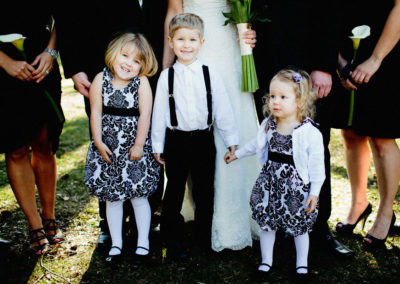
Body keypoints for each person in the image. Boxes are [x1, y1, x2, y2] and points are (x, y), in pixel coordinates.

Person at [252, 0, 353, 258]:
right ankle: (283, 225)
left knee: (313, 145)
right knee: (275, 144)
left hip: (308, 63)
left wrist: (322, 65)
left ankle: (318, 227)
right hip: (266, 59)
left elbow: (331, 12)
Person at [163, 0, 261, 252]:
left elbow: (243, 6)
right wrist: (166, 66)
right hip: (192, 35)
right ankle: (197, 213)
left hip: (227, 42)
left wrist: (246, 29)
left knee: (229, 111)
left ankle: (235, 217)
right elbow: (174, 10)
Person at [55, 3, 151, 247]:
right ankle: (110, 226)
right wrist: (75, 68)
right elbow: (65, 13)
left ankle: (146, 221)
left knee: (142, 141)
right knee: (106, 146)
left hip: (145, 55)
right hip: (97, 58)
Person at [151, 13, 239, 259]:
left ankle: (204, 236)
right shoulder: (166, 77)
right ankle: (172, 237)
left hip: (203, 140)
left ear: (201, 43)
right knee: (175, 190)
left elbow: (223, 110)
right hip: (176, 140)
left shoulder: (210, 74)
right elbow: (158, 114)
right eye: (180, 39)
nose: (186, 45)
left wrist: (232, 141)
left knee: (204, 190)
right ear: (170, 42)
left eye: (192, 39)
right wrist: (157, 145)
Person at [225, 69, 324, 280]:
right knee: (267, 222)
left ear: (299, 101)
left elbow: (317, 167)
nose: (275, 102)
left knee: (299, 226)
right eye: (272, 96)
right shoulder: (269, 124)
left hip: (295, 188)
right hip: (270, 183)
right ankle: (266, 261)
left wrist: (314, 193)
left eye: (282, 97)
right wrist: (237, 154)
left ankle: (301, 264)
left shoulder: (309, 132)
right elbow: (256, 145)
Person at [84, 32, 161, 263]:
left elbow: (145, 114)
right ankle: (116, 244)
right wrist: (98, 141)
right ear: (113, 54)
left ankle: (143, 243)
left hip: (133, 149)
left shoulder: (142, 82)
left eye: (136, 60)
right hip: (107, 148)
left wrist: (139, 145)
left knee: (139, 197)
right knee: (112, 198)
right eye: (125, 55)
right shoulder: (101, 78)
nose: (129, 63)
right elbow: (96, 111)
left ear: (143, 65)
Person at [332, 0, 400, 248]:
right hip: (347, 50)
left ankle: (385, 213)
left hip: (386, 50)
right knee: (350, 133)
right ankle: (359, 203)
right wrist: (339, 60)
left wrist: (375, 59)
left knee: (381, 135)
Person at [0, 7, 65, 255]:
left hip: (41, 61)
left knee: (44, 143)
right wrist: (5, 62)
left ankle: (49, 217)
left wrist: (51, 51)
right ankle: (34, 225)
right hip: (2, 69)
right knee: (15, 149)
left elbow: (65, 13)